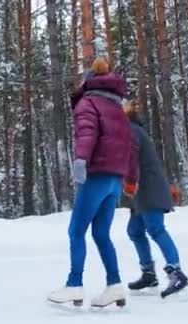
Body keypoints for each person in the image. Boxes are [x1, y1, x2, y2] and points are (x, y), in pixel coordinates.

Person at [47, 58, 138, 308]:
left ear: (88, 80)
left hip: (97, 175)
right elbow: (129, 145)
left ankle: (74, 284)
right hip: (114, 179)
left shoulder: (88, 103)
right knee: (100, 233)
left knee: (76, 230)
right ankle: (115, 285)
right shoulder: (118, 107)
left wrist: (80, 160)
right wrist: (131, 177)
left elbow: (88, 133)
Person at [122, 99, 188, 298]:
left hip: (148, 188)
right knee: (134, 230)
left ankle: (176, 272)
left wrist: (129, 180)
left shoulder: (131, 130)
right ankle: (149, 273)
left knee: (155, 228)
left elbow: (131, 157)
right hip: (141, 190)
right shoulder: (129, 130)